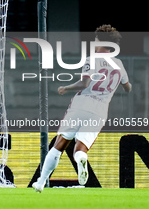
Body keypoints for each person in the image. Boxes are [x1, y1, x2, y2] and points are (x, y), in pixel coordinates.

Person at [33, 25, 132, 192]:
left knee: (60, 143)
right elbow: (127, 87)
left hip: (82, 104)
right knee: (81, 148)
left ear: (100, 41)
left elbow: (84, 83)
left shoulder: (92, 58)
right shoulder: (119, 64)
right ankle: (81, 159)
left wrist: (66, 87)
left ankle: (41, 182)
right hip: (100, 109)